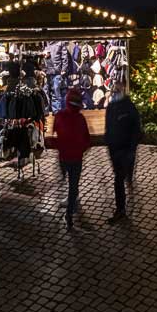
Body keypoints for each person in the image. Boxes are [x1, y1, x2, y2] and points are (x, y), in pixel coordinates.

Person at [52, 85, 91, 231]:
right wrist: (81, 148)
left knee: (66, 180)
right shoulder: (80, 118)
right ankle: (69, 213)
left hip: (64, 156)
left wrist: (59, 145)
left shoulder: (60, 116)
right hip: (76, 157)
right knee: (73, 185)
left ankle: (69, 205)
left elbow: (54, 134)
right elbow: (87, 139)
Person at [104, 75, 142, 223]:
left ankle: (121, 210)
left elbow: (136, 128)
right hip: (116, 148)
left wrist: (132, 147)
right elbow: (109, 127)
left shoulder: (129, 107)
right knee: (119, 177)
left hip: (125, 149)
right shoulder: (112, 107)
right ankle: (128, 180)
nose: (115, 92)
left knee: (118, 179)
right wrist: (109, 142)